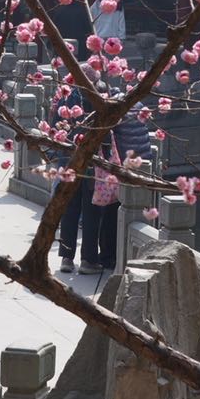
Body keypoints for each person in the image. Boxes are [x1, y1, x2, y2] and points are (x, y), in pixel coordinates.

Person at [57, 91, 155, 276]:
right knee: (92, 213)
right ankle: (90, 259)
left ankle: (67, 258)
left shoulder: (71, 107)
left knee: (70, 210)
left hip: (71, 165)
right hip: (94, 170)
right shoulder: (111, 115)